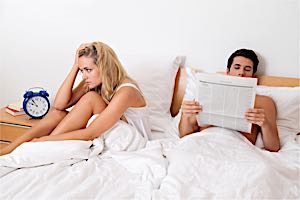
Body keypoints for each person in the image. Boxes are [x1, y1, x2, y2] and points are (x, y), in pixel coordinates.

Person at [0, 41, 151, 156]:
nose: (84, 75)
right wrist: (75, 66)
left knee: (91, 98)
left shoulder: (127, 91)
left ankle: (39, 150)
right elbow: (60, 105)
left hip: (130, 139)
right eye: (82, 71)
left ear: (105, 68)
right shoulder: (93, 81)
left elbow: (90, 133)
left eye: (88, 70)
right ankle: (9, 150)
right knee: (57, 114)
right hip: (104, 129)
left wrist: (42, 141)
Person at [179, 49, 280, 152]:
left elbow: (273, 147)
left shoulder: (264, 102)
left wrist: (265, 124)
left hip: (238, 150)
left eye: (247, 69)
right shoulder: (206, 96)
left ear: (253, 76)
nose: (241, 73)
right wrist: (185, 116)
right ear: (227, 72)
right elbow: (184, 135)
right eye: (237, 67)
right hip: (204, 145)